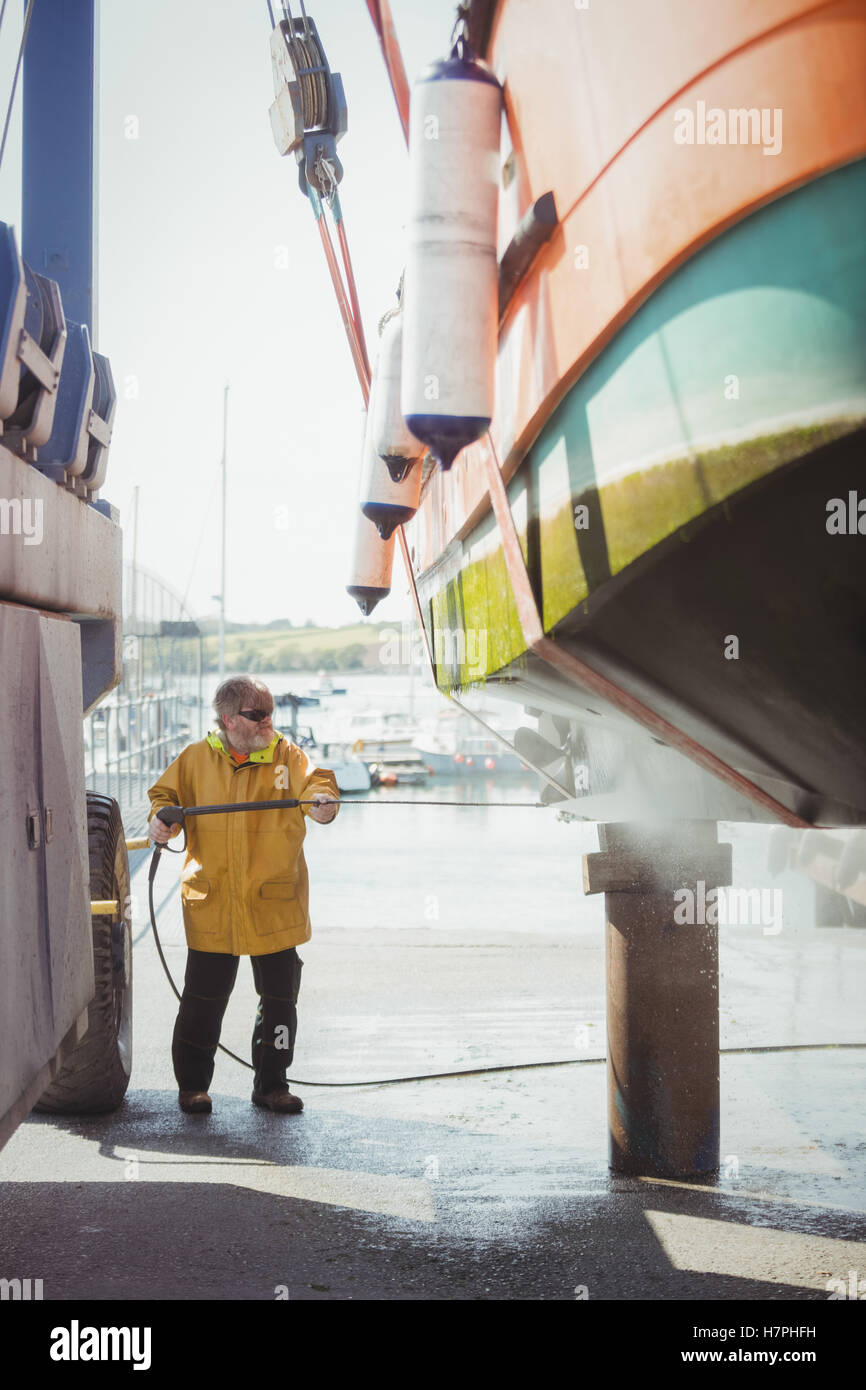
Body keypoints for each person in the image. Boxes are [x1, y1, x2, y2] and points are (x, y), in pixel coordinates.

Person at [146, 675, 339, 1115]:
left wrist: (324, 804)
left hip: (274, 904)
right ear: (230, 720)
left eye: (270, 712)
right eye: (257, 715)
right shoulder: (195, 758)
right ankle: (192, 1086)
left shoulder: (289, 757)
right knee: (202, 1003)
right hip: (213, 904)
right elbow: (163, 797)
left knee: (280, 1005)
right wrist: (162, 819)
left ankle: (272, 1085)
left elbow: (317, 788)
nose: (267, 722)